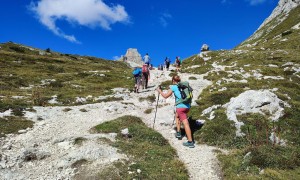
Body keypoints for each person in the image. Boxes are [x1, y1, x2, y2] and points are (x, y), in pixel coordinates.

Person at [156, 75, 195, 148]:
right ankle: (178, 132)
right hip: (187, 106)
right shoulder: (184, 86)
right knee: (177, 116)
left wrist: (160, 91)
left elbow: (165, 96)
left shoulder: (173, 87)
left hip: (180, 107)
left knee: (185, 123)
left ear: (173, 81)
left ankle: (190, 142)